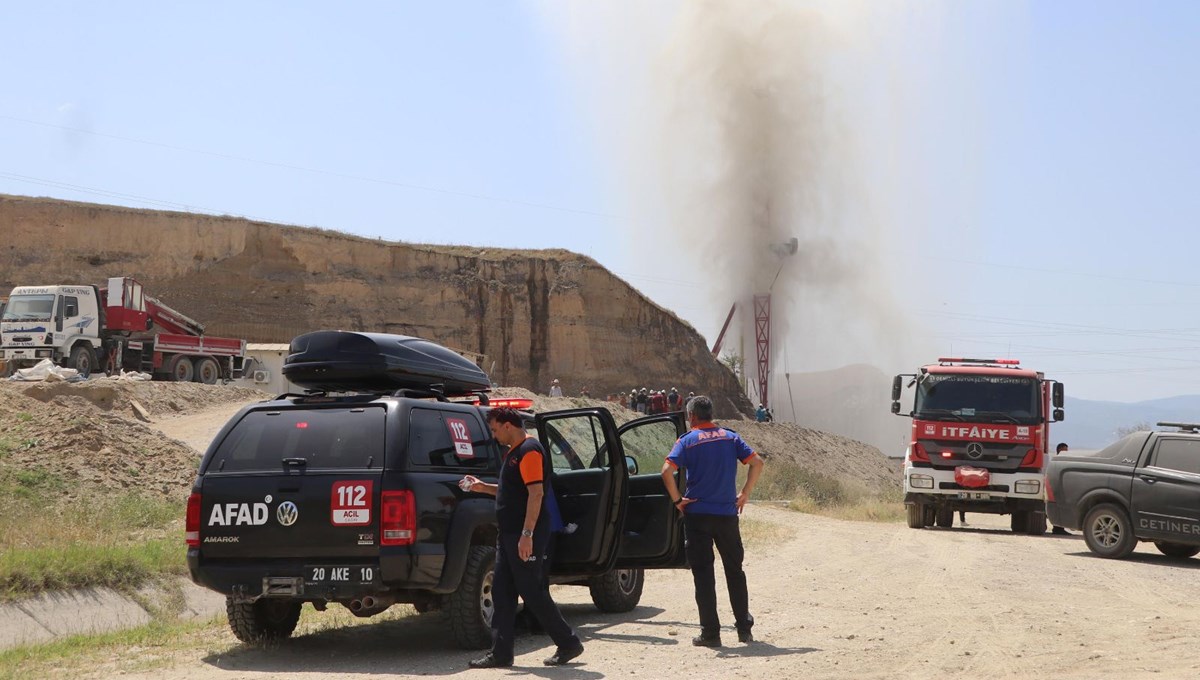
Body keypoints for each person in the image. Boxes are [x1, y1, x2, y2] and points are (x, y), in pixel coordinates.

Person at [463, 408, 584, 668]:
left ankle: (568, 643)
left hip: (524, 534)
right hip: (508, 535)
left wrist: (527, 534)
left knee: (531, 590)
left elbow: (536, 494)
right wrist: (482, 487)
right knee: (502, 591)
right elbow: (511, 491)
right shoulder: (513, 454)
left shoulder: (529, 451)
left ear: (508, 426)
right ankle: (501, 653)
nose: (494, 436)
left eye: (495, 430)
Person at [661, 395, 765, 647]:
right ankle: (743, 629)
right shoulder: (730, 438)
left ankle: (710, 633)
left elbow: (666, 471)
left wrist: (678, 501)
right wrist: (745, 493)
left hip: (697, 515)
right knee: (734, 571)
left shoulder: (687, 441)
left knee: (703, 574)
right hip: (727, 515)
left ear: (692, 416)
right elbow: (757, 463)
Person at [1051, 443, 1071, 535]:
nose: (1065, 452)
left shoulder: (1065, 460)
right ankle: (1057, 528)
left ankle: (1059, 528)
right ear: (1058, 450)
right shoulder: (1055, 460)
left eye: (1066, 450)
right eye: (1063, 450)